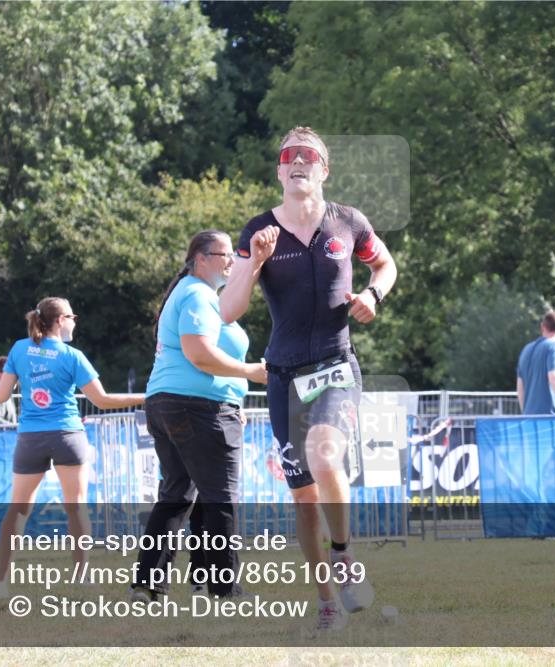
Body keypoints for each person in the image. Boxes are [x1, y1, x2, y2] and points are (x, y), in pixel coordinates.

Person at [219, 126, 397, 630]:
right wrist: (256, 261)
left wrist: (373, 295)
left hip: (336, 364)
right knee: (302, 495)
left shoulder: (348, 223)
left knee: (325, 452)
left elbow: (385, 264)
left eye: (309, 156)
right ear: (279, 170)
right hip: (283, 375)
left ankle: (343, 554)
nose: (298, 161)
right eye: (288, 156)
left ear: (324, 170)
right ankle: (326, 600)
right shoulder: (257, 230)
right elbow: (229, 311)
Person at [131, 230, 267, 602]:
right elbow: (200, 356)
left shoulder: (203, 296)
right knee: (219, 496)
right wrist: (251, 373)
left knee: (176, 494)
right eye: (224, 254)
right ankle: (225, 590)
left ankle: (148, 584)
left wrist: (235, 398)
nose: (230, 261)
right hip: (196, 406)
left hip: (176, 403)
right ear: (200, 258)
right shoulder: (197, 294)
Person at [0, 297, 144, 599]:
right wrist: (146, 398)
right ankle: (82, 579)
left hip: (31, 436)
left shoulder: (19, 349)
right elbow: (102, 401)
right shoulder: (73, 355)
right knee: (76, 507)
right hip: (68, 434)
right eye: (73, 316)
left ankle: (0, 583)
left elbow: (2, 397)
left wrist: (27, 377)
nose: (75, 321)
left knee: (18, 509)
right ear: (60, 321)